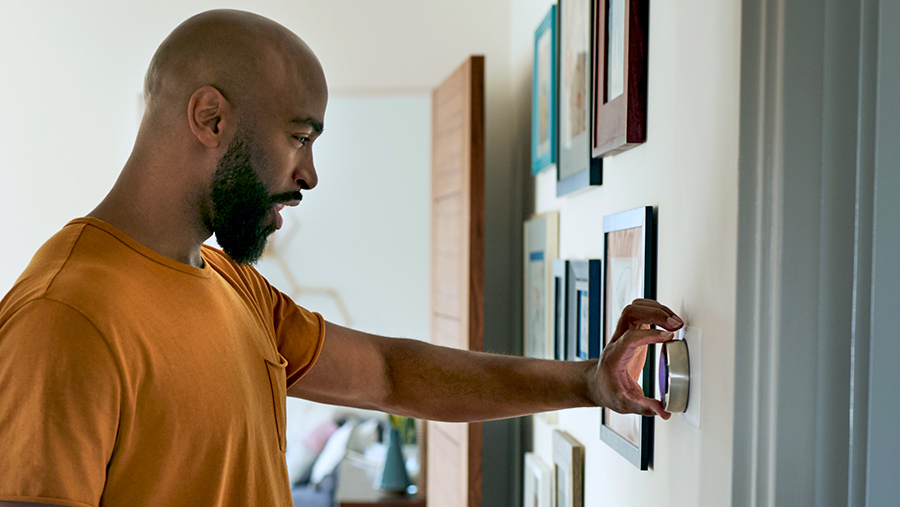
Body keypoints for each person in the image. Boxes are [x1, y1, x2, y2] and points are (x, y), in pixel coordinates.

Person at [0, 9, 683, 507]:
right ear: (210, 119)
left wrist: (585, 383)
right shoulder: (65, 318)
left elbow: (389, 373)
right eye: (300, 137)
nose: (310, 174)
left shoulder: (232, 285)